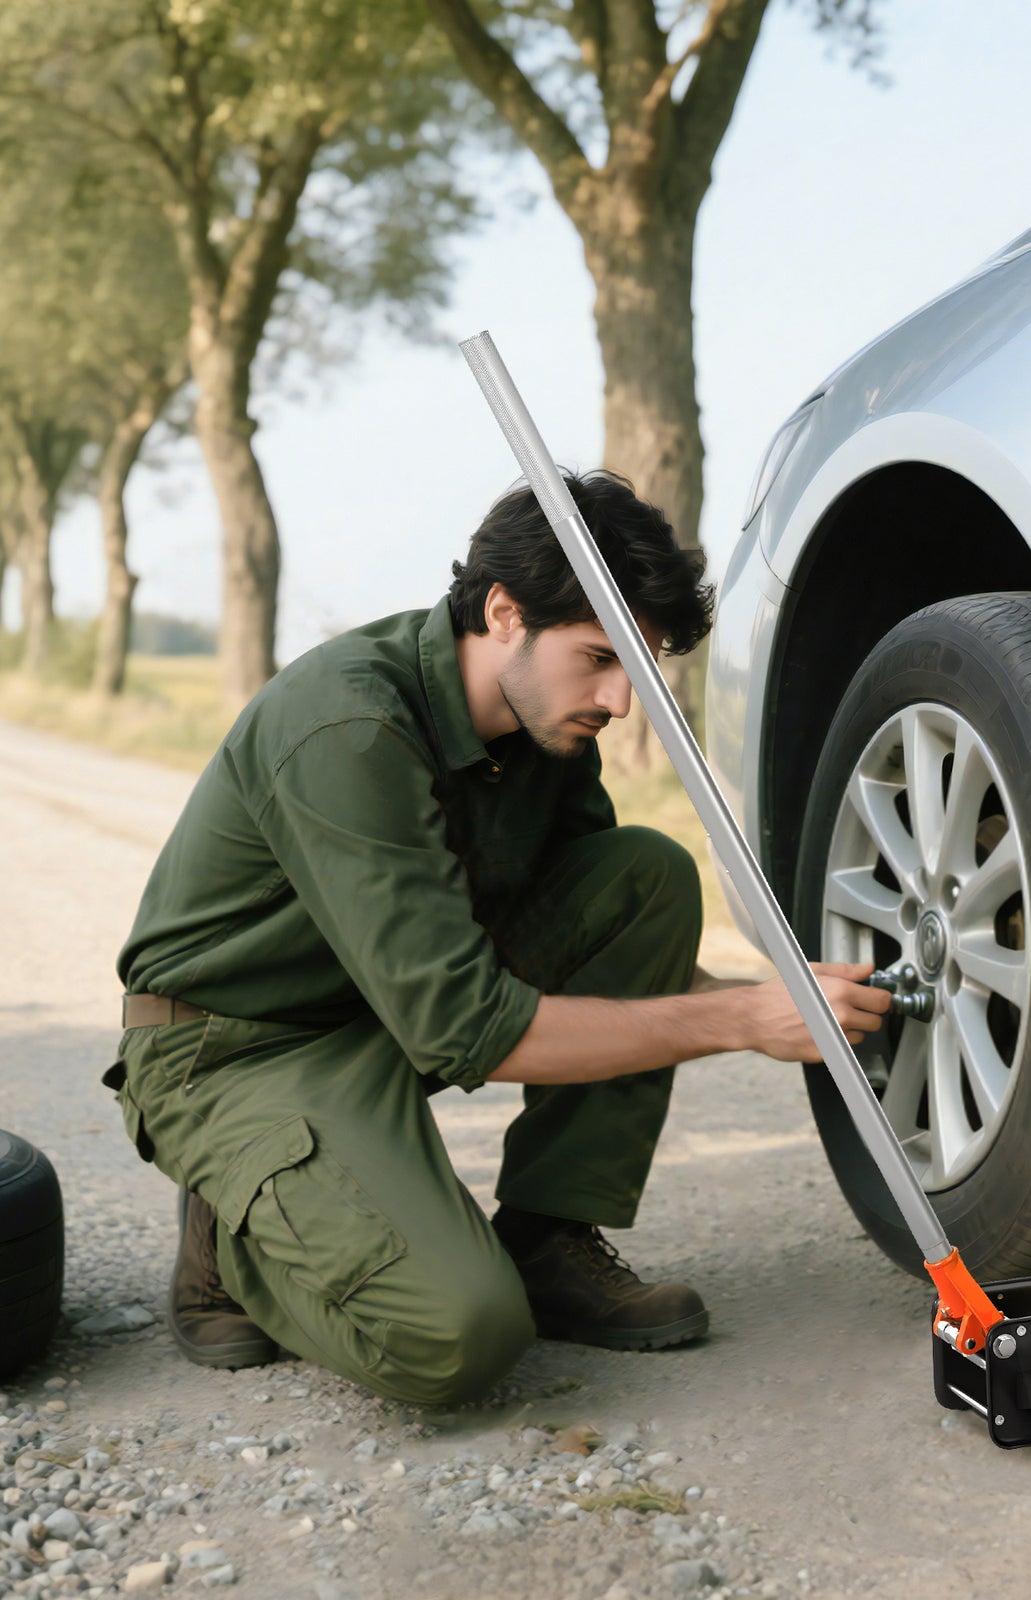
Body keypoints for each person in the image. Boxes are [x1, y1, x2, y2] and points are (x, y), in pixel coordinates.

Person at [106, 470, 892, 1406]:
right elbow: (469, 1031)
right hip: (235, 1049)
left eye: (635, 671)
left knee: (647, 876)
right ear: (505, 612)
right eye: (599, 658)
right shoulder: (350, 726)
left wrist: (785, 998)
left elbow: (614, 960)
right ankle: (238, 1219)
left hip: (385, 1009)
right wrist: (737, 1021)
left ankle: (547, 1240)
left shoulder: (546, 726)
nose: (620, 700)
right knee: (458, 1340)